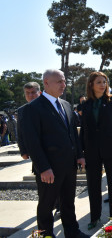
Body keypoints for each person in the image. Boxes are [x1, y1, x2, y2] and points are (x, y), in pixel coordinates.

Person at [23, 69, 88, 238]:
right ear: (46, 83)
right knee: (46, 206)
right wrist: (43, 167)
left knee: (68, 202)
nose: (63, 85)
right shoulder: (33, 108)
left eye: (64, 81)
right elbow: (33, 142)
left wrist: (80, 155)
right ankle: (46, 235)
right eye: (59, 81)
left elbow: (73, 133)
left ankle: (72, 232)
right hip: (49, 169)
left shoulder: (65, 105)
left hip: (69, 165)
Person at [80, 72, 112, 230]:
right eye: (99, 82)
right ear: (91, 84)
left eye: (104, 82)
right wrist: (81, 154)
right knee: (93, 185)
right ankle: (95, 217)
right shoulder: (85, 104)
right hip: (91, 150)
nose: (102, 85)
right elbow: (84, 130)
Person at [17, 82, 41, 160]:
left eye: (33, 92)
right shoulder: (21, 111)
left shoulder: (47, 108)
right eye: (27, 93)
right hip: (33, 150)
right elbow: (20, 132)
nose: (30, 95)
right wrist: (23, 151)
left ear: (40, 93)